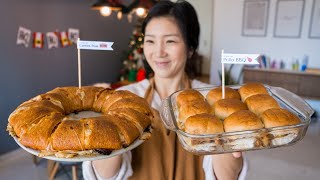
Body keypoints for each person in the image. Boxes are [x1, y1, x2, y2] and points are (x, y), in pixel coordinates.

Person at [83, 1, 247, 179]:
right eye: (151, 41)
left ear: (190, 48)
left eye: (170, 41)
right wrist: (105, 127)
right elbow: (105, 176)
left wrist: (229, 145)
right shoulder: (126, 99)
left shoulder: (210, 99)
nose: (159, 52)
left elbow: (226, 177)